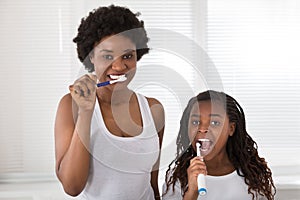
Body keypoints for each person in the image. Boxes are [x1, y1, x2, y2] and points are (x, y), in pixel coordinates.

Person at [54, 5, 164, 200]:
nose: (119, 66)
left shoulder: (154, 109)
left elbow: (152, 184)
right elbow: (72, 186)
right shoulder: (70, 105)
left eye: (128, 56)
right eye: (107, 56)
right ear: (91, 59)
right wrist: (86, 112)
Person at [162, 90, 276, 200]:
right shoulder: (176, 180)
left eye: (214, 123)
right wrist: (192, 192)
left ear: (231, 129)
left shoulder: (253, 175)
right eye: (195, 122)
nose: (202, 129)